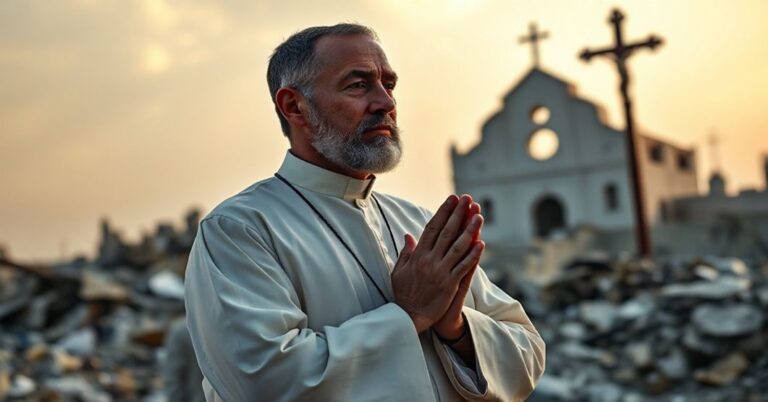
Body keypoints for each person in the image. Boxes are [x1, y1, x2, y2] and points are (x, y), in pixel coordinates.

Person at [184, 23, 545, 402]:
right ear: (294, 107)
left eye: (388, 85)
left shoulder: (420, 224)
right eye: (358, 85)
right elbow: (262, 380)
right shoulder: (240, 230)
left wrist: (456, 328)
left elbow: (528, 351)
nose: (385, 103)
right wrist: (409, 315)